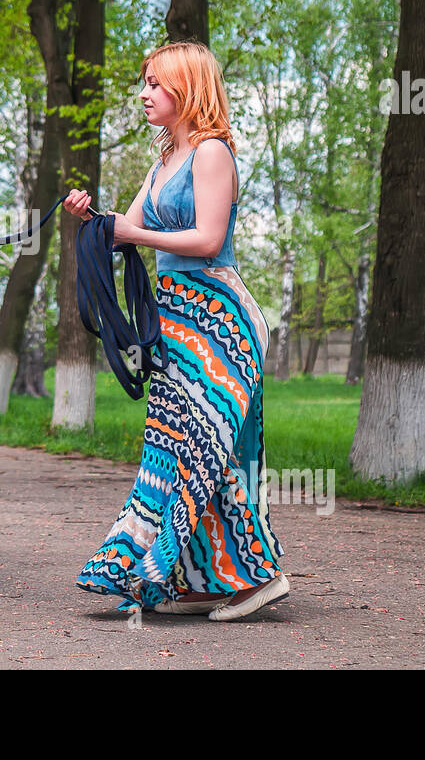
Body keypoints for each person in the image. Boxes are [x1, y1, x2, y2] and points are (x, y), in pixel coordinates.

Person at [63, 40, 287, 622]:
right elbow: (124, 231)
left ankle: (259, 577)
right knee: (173, 450)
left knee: (209, 451)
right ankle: (197, 580)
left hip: (220, 319)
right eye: (144, 83)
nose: (144, 94)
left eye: (155, 84)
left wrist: (133, 235)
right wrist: (90, 218)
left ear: (186, 89)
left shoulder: (212, 154)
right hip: (174, 317)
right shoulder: (162, 163)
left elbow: (208, 240)